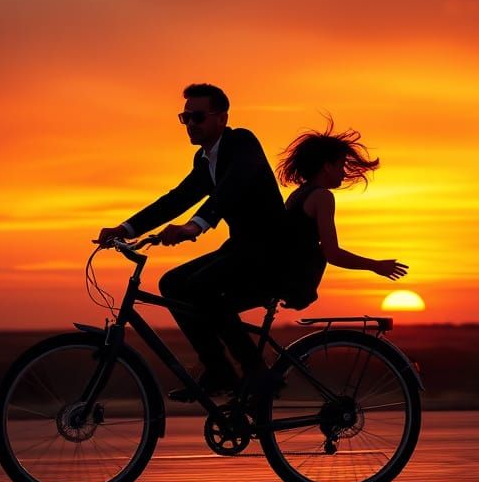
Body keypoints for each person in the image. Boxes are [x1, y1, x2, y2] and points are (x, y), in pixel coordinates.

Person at [97, 83, 286, 401]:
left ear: (221, 118)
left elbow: (232, 188)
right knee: (173, 283)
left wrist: (194, 227)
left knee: (201, 290)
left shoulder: (242, 143)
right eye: (185, 118)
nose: (191, 124)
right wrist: (125, 228)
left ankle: (255, 372)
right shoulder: (205, 160)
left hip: (269, 251)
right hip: (242, 250)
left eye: (197, 116)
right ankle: (219, 371)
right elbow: (176, 199)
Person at [276, 119, 407, 309]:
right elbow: (333, 254)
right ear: (327, 166)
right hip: (294, 281)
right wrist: (376, 266)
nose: (344, 173)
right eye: (341, 165)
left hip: (279, 273)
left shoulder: (297, 195)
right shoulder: (322, 197)